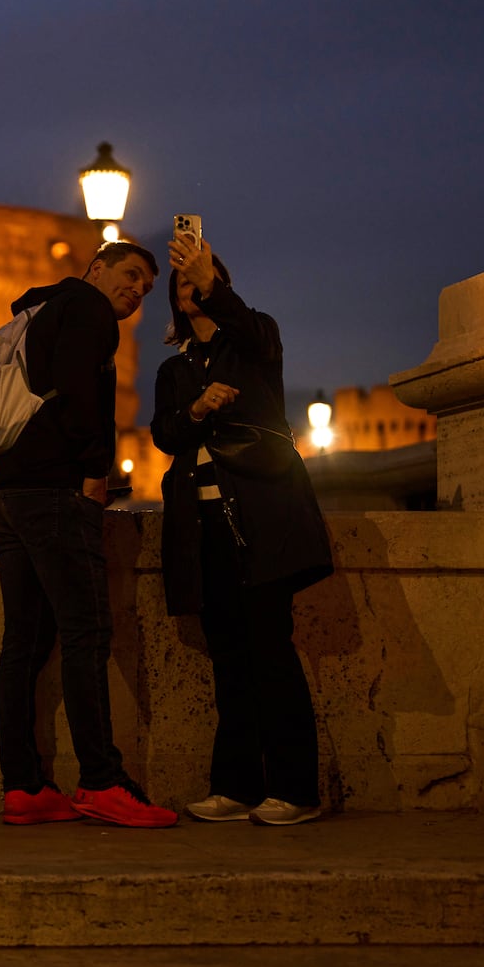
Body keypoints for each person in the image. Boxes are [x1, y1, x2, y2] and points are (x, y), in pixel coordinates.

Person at [0, 240, 178, 828]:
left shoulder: (35, 312)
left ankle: (24, 787)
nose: (138, 290)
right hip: (56, 494)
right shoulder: (88, 310)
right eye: (131, 274)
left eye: (147, 286)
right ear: (96, 268)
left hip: (8, 490)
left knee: (24, 642)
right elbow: (81, 398)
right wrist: (97, 473)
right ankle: (100, 781)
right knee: (87, 632)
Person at [150, 231, 333, 826]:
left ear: (219, 285)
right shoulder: (175, 372)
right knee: (228, 659)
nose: (191, 289)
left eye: (201, 280)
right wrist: (197, 409)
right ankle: (235, 787)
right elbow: (165, 437)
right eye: (183, 284)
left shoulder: (256, 344)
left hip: (260, 521)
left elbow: (250, 329)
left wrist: (209, 279)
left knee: (271, 654)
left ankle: (297, 790)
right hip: (202, 528)